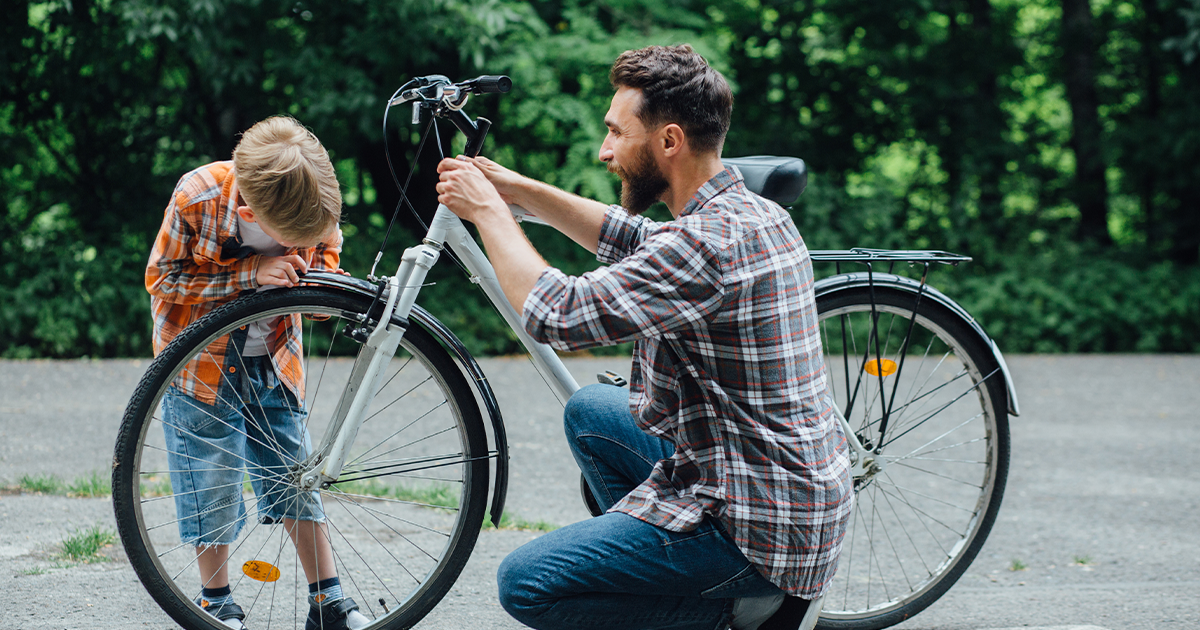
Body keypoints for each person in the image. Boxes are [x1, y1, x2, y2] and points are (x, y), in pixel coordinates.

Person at [436, 44, 854, 630]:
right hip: (776, 486)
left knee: (527, 584)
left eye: (616, 133)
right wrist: (515, 188)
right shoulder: (746, 211)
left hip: (763, 532)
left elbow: (557, 313)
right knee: (592, 409)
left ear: (669, 142)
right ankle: (657, 563)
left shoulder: (705, 245)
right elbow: (632, 238)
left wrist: (491, 215)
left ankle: (742, 611)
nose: (605, 150)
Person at [145, 116, 368, 630]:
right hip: (198, 365)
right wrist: (250, 274)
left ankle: (326, 599)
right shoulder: (197, 198)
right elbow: (163, 279)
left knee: (294, 469)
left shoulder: (312, 199)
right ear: (250, 213)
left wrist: (322, 293)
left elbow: (326, 259)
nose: (308, 242)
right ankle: (216, 599)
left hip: (274, 356)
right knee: (210, 473)